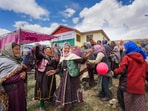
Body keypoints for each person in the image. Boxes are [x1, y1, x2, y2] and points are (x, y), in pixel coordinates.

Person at [46, 44, 90, 111]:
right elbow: (59, 69)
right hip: (64, 77)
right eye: (65, 48)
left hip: (72, 77)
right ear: (63, 49)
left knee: (70, 90)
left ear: (70, 50)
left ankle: (68, 105)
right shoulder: (62, 58)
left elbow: (81, 61)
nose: (66, 50)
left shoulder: (73, 56)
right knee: (64, 90)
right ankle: (64, 103)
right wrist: (54, 71)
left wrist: (85, 57)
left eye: (68, 48)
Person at [114, 41, 148, 111]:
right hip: (140, 87)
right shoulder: (143, 60)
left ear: (129, 48)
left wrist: (115, 71)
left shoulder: (127, 58)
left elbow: (122, 70)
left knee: (129, 105)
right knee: (139, 105)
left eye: (125, 48)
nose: (124, 50)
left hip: (128, 86)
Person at [0, 42, 27, 111]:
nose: (18, 51)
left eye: (19, 49)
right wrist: (19, 77)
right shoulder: (3, 61)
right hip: (11, 91)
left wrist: (24, 73)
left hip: (19, 88)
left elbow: (19, 71)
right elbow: (3, 79)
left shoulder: (16, 60)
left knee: (21, 106)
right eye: (16, 49)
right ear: (10, 50)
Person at [34, 45, 58, 111]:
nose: (49, 51)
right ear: (44, 51)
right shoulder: (41, 57)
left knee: (51, 88)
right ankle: (41, 106)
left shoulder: (52, 57)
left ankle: (50, 99)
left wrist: (56, 61)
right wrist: (37, 47)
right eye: (47, 50)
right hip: (43, 77)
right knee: (43, 90)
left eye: (50, 50)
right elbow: (36, 53)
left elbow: (56, 67)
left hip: (51, 77)